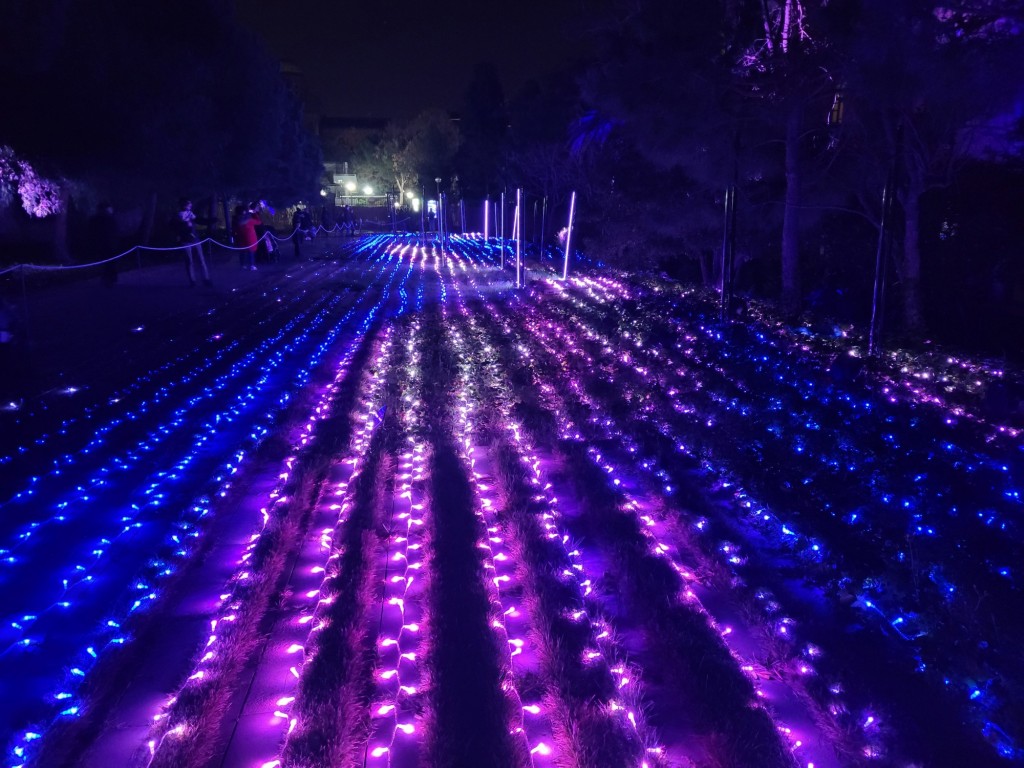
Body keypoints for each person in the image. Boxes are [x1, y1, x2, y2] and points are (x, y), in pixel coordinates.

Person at [176, 199, 211, 286]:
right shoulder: (180, 214)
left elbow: (197, 220)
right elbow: (183, 224)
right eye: (189, 204)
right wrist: (187, 222)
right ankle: (192, 280)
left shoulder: (190, 213)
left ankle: (206, 279)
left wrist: (209, 221)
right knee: (189, 261)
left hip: (195, 239)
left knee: (201, 259)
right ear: (184, 205)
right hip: (186, 240)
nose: (190, 205)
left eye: (190, 204)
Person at [87, 201, 119, 286]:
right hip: (107, 245)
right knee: (109, 262)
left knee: (107, 262)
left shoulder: (97, 220)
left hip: (105, 245)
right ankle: (110, 278)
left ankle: (108, 278)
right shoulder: (109, 219)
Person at [234, 202, 260, 270]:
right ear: (244, 212)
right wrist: (254, 213)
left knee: (242, 252)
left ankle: (242, 265)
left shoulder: (236, 220)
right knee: (251, 252)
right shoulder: (249, 220)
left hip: (241, 238)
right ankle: (252, 265)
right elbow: (258, 222)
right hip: (250, 238)